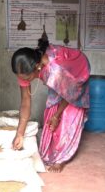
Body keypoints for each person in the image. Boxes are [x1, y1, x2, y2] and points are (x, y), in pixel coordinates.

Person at [11, 38, 90, 173]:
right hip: (59, 77)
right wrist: (20, 134)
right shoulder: (24, 71)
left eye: (26, 78)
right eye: (21, 78)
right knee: (50, 117)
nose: (23, 81)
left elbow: (70, 92)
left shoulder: (55, 70)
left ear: (37, 67)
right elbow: (25, 101)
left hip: (76, 69)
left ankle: (62, 158)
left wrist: (57, 115)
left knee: (68, 117)